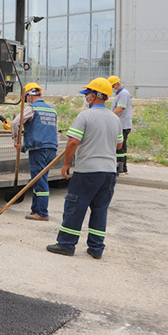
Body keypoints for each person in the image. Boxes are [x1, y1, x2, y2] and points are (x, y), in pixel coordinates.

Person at [47, 77, 123, 260]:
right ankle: (96, 248)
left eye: (87, 94)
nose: (85, 97)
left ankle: (66, 244)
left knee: (75, 206)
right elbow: (119, 146)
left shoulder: (85, 116)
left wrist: (66, 164)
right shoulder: (115, 119)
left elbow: (73, 141)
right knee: (100, 209)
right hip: (109, 172)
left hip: (88, 170)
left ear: (96, 96)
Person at [11, 82, 59, 221]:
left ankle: (42, 212)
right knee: (41, 179)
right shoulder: (52, 110)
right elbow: (45, 131)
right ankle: (35, 209)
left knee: (39, 180)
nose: (26, 101)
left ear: (30, 96)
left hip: (39, 149)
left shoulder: (32, 108)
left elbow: (15, 123)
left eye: (26, 98)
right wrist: (24, 146)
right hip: (51, 148)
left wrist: (16, 140)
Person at [108, 75, 132, 175]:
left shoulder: (123, 94)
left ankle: (121, 168)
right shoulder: (120, 94)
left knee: (120, 148)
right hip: (121, 124)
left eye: (113, 86)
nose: (113, 88)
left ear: (117, 84)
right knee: (121, 147)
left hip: (123, 125)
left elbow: (119, 109)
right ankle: (122, 167)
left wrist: (108, 116)